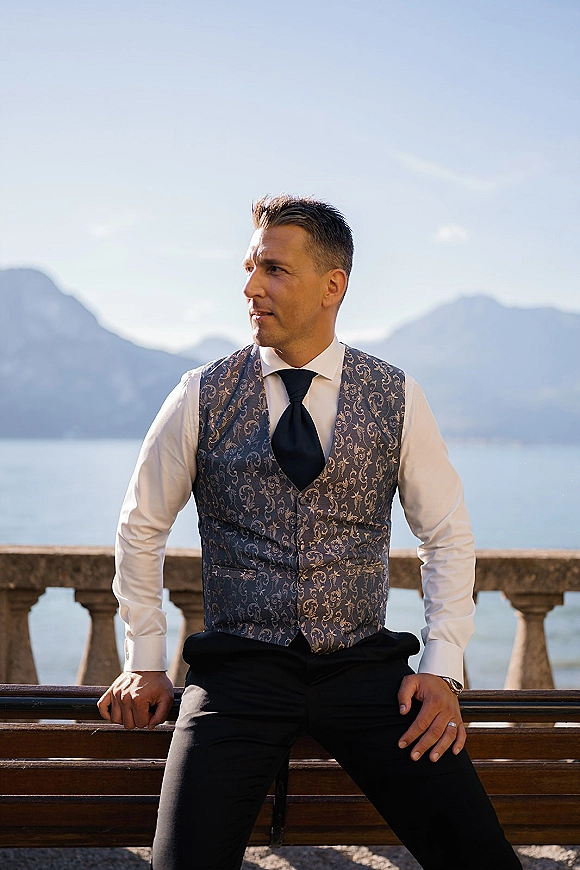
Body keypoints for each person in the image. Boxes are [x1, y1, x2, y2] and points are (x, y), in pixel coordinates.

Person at [98, 195, 522, 870]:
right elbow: (141, 525)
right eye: (249, 268)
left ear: (333, 287)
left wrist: (442, 670)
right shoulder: (201, 393)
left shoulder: (396, 395)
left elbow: (445, 533)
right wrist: (145, 658)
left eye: (273, 269)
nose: (250, 287)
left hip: (364, 671)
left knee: (481, 858)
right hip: (237, 674)